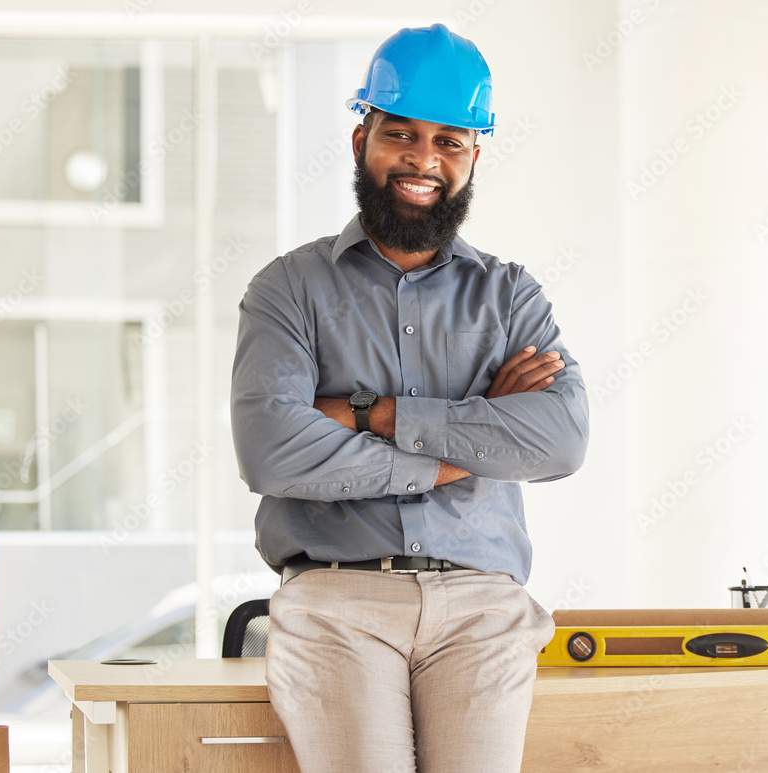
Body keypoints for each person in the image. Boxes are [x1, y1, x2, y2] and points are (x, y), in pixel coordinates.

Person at [231, 22, 588, 773]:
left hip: (481, 605)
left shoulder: (510, 295)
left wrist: (371, 414)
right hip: (337, 598)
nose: (423, 159)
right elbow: (272, 448)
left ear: (473, 157)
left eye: (449, 142)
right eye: (402, 134)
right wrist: (466, 448)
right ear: (362, 138)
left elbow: (558, 438)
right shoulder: (289, 289)